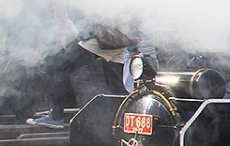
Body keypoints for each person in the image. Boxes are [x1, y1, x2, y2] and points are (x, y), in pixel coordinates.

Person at [27, 27, 157, 129]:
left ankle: (56, 117)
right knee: (116, 87)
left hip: (98, 41)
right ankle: (128, 117)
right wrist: (133, 48)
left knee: (58, 68)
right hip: (119, 44)